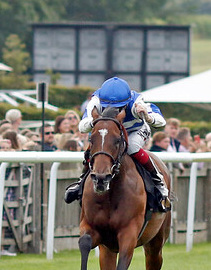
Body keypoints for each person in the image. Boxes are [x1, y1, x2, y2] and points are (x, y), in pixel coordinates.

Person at [63, 77, 170, 209]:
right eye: (108, 106)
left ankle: (157, 180)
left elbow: (162, 121)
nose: (113, 110)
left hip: (135, 131)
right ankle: (80, 182)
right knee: (97, 147)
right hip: (110, 132)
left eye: (118, 108)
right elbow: (82, 127)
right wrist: (95, 122)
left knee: (131, 147)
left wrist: (147, 117)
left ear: (126, 102)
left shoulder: (136, 102)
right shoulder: (95, 101)